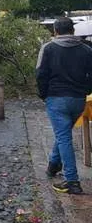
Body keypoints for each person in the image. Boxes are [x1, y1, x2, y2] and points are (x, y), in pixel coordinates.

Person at [36, 17, 92, 194]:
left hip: (56, 97)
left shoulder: (48, 48)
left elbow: (40, 74)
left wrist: (44, 95)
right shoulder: (86, 49)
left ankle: (72, 181)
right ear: (73, 31)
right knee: (64, 133)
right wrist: (86, 90)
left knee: (64, 137)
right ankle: (53, 166)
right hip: (78, 99)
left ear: (55, 31)